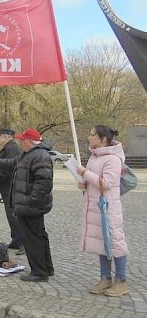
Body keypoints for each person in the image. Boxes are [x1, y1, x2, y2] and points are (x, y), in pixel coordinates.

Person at [0, 128, 54, 282]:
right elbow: (12, 162)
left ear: (29, 142)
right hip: (28, 205)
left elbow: (43, 183)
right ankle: (46, 268)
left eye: (22, 140)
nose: (20, 142)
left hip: (31, 206)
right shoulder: (28, 154)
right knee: (39, 237)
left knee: (34, 240)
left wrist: (31, 201)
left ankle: (39, 272)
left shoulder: (40, 156)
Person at [77, 125, 129, 297]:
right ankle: (105, 278)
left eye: (92, 135)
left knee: (115, 242)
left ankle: (121, 281)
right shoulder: (94, 157)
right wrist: (83, 183)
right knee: (101, 244)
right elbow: (93, 180)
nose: (89, 138)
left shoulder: (113, 159)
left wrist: (85, 173)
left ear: (103, 139)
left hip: (109, 208)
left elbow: (106, 183)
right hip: (95, 207)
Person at [0, 128, 24, 255]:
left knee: (15, 216)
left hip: (11, 188)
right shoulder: (8, 148)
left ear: (5, 137)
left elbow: (11, 167)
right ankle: (15, 240)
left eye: (0, 137)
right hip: (6, 188)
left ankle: (23, 243)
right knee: (10, 216)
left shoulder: (12, 149)